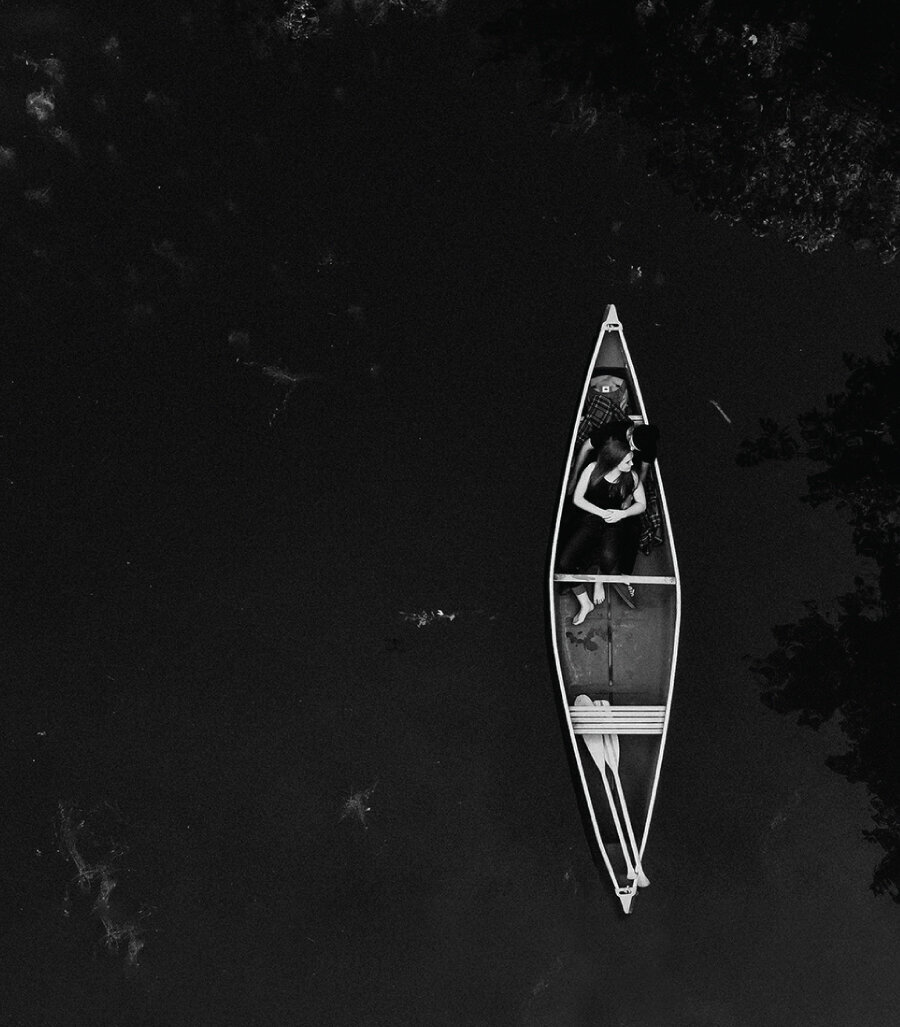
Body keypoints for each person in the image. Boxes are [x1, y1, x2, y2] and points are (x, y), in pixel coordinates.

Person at [557, 437, 647, 625]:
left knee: (608, 558)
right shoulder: (592, 469)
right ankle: (585, 603)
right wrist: (601, 513)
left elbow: (642, 504)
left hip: (615, 521)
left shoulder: (632, 476)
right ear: (614, 461)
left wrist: (622, 514)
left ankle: (599, 580)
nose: (632, 464)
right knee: (565, 562)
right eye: (627, 461)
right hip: (591, 517)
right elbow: (578, 499)